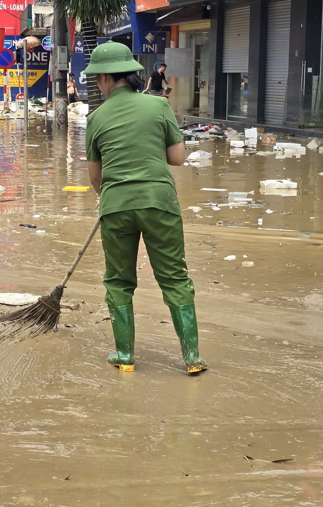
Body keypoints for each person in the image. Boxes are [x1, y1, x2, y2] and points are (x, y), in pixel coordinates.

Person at [83, 42, 205, 374]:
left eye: (97, 79)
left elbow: (96, 178)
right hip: (159, 202)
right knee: (174, 278)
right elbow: (178, 158)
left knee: (119, 281)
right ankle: (192, 358)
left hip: (116, 205)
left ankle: (125, 357)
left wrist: (109, 196)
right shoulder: (159, 107)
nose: (97, 84)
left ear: (107, 78)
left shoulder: (95, 118)